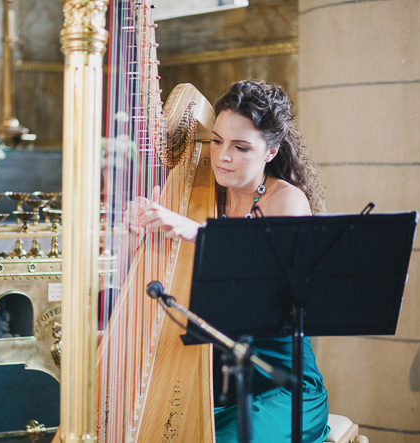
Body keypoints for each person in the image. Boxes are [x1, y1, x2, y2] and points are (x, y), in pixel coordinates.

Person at [136, 79, 329, 442]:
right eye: (217, 141)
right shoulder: (201, 194)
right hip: (218, 380)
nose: (223, 156)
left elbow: (267, 280)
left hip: (281, 385)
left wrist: (196, 232)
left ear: (270, 152)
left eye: (240, 147)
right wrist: (141, 230)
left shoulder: (287, 202)